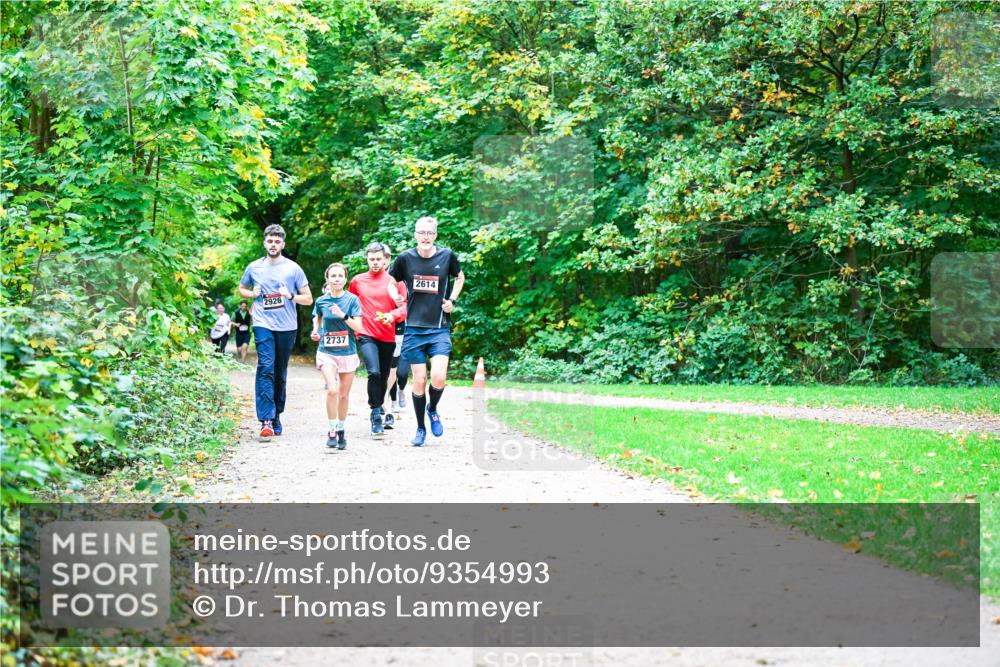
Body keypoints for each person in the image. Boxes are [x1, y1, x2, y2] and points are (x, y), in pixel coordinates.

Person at [388, 216, 465, 447]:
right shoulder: (405, 258)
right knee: (419, 380)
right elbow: (391, 282)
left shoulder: (446, 256)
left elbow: (460, 277)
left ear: (436, 235)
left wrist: (452, 299)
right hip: (414, 328)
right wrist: (396, 296)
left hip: (439, 327)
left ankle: (433, 409)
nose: (425, 237)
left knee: (439, 377)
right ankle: (421, 428)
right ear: (415, 235)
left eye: (430, 233)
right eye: (421, 232)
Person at [238, 224, 313, 441]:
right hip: (263, 323)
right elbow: (241, 289)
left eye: (277, 241)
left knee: (280, 372)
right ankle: (266, 420)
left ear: (283, 244)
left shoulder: (293, 269)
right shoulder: (254, 267)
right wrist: (252, 293)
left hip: (287, 327)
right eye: (270, 241)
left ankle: (277, 414)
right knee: (265, 367)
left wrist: (289, 295)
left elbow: (307, 299)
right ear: (265, 243)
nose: (273, 244)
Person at [348, 242, 407, 438]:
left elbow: (405, 308)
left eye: (378, 259)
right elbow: (350, 304)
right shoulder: (357, 281)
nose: (375, 263)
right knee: (373, 371)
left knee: (382, 376)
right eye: (371, 259)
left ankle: (379, 404)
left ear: (385, 260)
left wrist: (393, 314)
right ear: (367, 259)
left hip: (388, 335)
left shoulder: (395, 282)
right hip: (366, 334)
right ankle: (375, 413)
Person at [311, 263, 363, 449]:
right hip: (327, 352)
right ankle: (332, 428)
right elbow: (317, 317)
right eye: (333, 276)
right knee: (332, 390)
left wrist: (343, 315)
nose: (337, 279)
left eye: (340, 276)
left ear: (345, 278)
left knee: (343, 395)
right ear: (328, 279)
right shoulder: (321, 301)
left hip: (347, 352)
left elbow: (359, 327)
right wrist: (315, 331)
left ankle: (341, 429)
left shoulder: (352, 300)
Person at [379, 244, 409, 422]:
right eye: (378, 256)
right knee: (378, 369)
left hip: (396, 327)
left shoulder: (399, 280)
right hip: (375, 329)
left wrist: (393, 314)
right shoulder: (364, 279)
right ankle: (383, 401)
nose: (382, 260)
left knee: (394, 368)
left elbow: (406, 306)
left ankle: (388, 400)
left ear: (389, 259)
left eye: (386, 256)